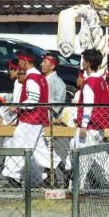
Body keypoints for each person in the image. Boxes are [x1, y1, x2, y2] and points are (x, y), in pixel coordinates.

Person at [66, 48, 109, 190]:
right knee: (102, 158)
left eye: (83, 61)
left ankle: (75, 188)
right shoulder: (101, 81)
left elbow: (88, 105)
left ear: (87, 63)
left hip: (89, 127)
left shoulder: (89, 83)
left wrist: (84, 125)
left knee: (81, 159)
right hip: (98, 126)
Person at [2, 48, 50, 188]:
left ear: (24, 61)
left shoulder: (31, 78)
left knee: (19, 146)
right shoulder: (40, 77)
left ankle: (13, 176)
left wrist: (16, 106)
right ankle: (41, 178)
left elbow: (33, 100)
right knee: (37, 152)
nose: (18, 64)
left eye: (19, 61)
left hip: (30, 119)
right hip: (39, 120)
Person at [40, 52, 68, 188]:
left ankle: (59, 174)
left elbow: (58, 104)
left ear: (52, 65)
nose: (41, 64)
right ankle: (52, 178)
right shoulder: (43, 79)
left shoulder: (58, 83)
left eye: (44, 62)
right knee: (45, 151)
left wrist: (50, 116)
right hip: (41, 119)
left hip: (49, 120)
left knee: (47, 151)